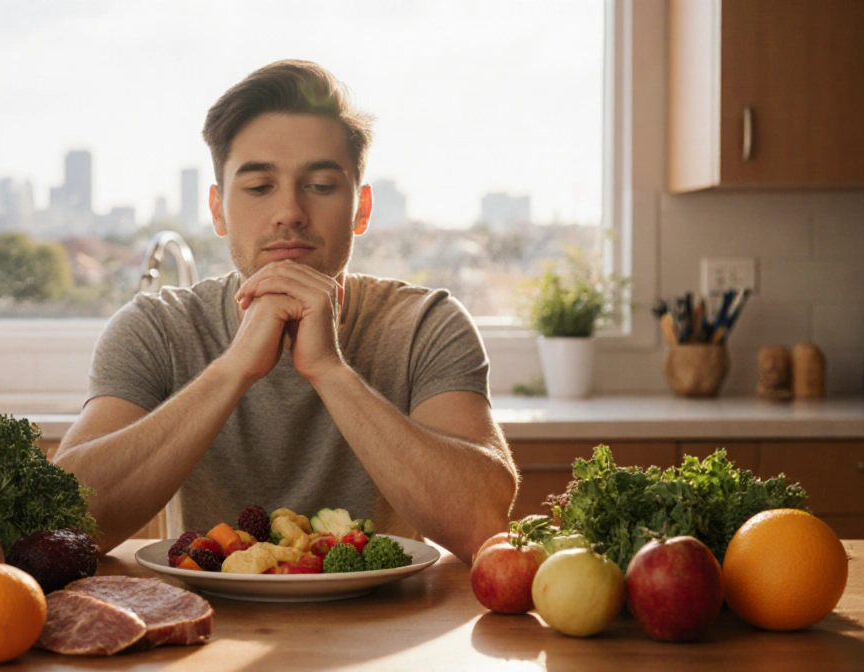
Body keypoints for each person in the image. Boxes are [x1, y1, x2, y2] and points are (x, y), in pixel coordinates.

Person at [54, 60, 517, 564]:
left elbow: (483, 524)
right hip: (207, 628)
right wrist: (233, 370)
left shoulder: (427, 323)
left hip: (384, 628)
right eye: (258, 188)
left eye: (319, 185)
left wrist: (329, 370)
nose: (290, 212)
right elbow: (63, 518)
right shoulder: (155, 328)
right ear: (217, 210)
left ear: (361, 210)